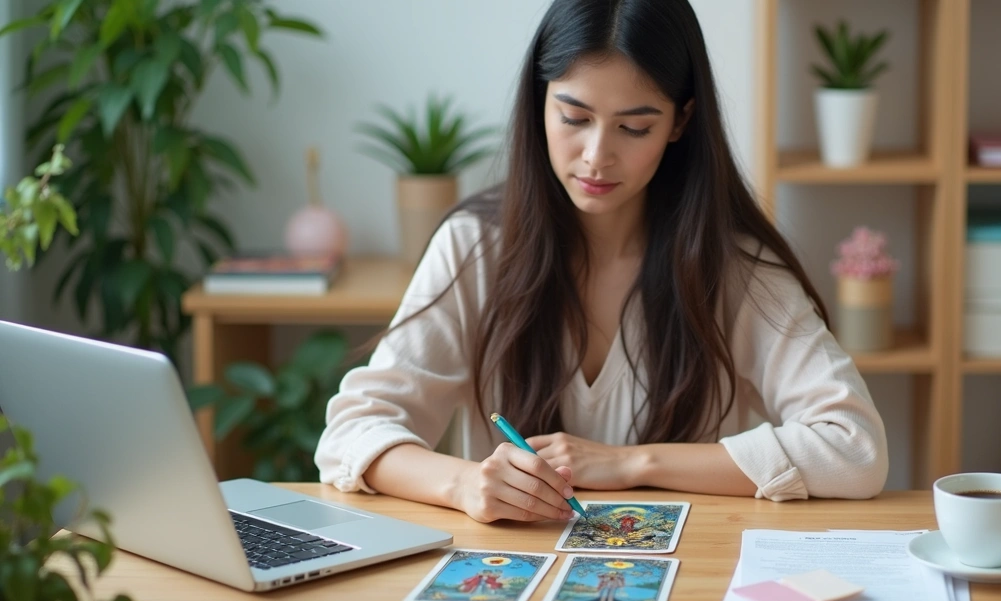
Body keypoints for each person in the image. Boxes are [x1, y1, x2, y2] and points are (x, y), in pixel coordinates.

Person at [315, 0, 888, 523]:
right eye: (573, 117)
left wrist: (631, 463)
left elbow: (856, 449)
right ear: (539, 102)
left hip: (693, 580)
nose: (596, 156)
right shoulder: (474, 248)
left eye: (634, 127)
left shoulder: (734, 266)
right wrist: (464, 483)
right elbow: (351, 434)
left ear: (680, 122)